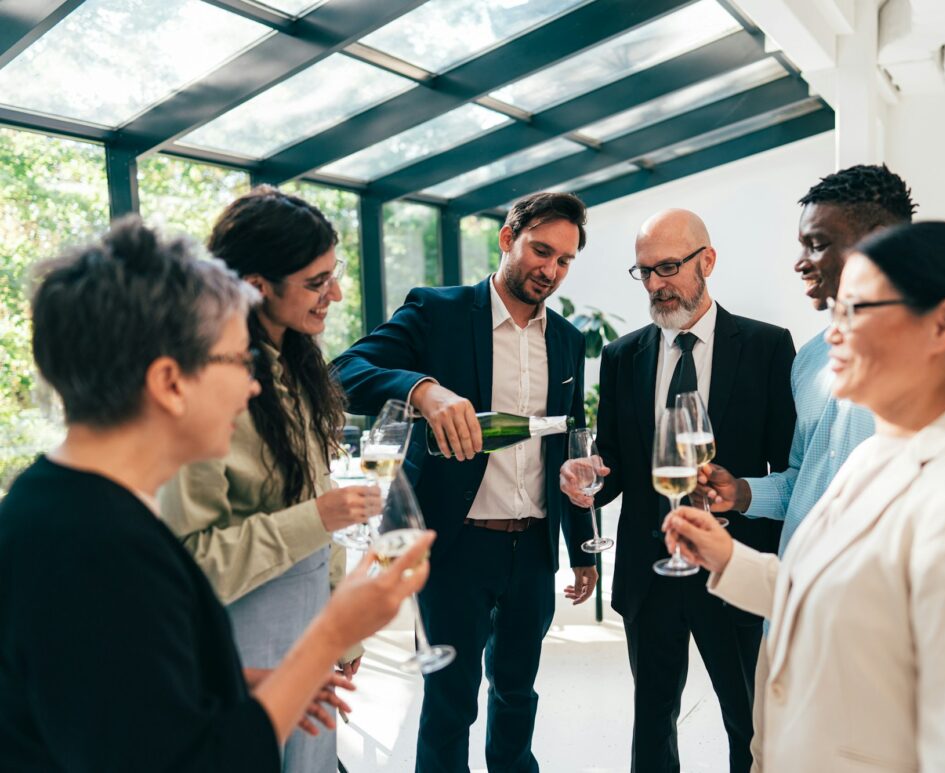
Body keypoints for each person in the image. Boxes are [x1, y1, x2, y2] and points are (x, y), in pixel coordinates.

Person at [0, 217, 432, 772]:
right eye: (237, 361)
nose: (254, 385)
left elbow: (125, 695)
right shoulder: (95, 548)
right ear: (169, 383)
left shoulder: (67, 508)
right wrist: (331, 633)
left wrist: (250, 683)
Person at [663, 221, 945, 771]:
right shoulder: (876, 453)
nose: (832, 332)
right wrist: (729, 559)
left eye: (854, 311)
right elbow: (834, 597)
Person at [332, 191, 595, 772]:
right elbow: (343, 371)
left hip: (533, 546)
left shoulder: (569, 341)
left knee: (517, 694)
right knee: (451, 704)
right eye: (540, 251)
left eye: (565, 260)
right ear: (507, 239)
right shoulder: (439, 311)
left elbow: (570, 447)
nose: (550, 270)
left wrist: (581, 546)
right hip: (456, 545)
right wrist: (423, 389)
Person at [700, 164, 945, 554]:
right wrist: (742, 493)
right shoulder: (808, 359)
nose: (800, 262)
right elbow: (807, 482)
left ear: (879, 243)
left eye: (818, 243)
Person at [560, 209, 795, 773]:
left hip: (733, 563)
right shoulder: (621, 356)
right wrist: (590, 478)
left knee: (750, 723)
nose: (656, 284)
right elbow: (615, 459)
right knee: (652, 720)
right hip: (651, 570)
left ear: (706, 261)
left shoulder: (767, 347)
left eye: (668, 267)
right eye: (643, 272)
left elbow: (789, 467)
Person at [158, 186, 378, 773]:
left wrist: (342, 632)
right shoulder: (207, 397)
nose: (333, 294)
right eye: (315, 282)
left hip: (305, 643)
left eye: (335, 275)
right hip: (239, 652)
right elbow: (190, 565)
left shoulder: (299, 370)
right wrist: (321, 518)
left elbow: (317, 513)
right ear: (256, 287)